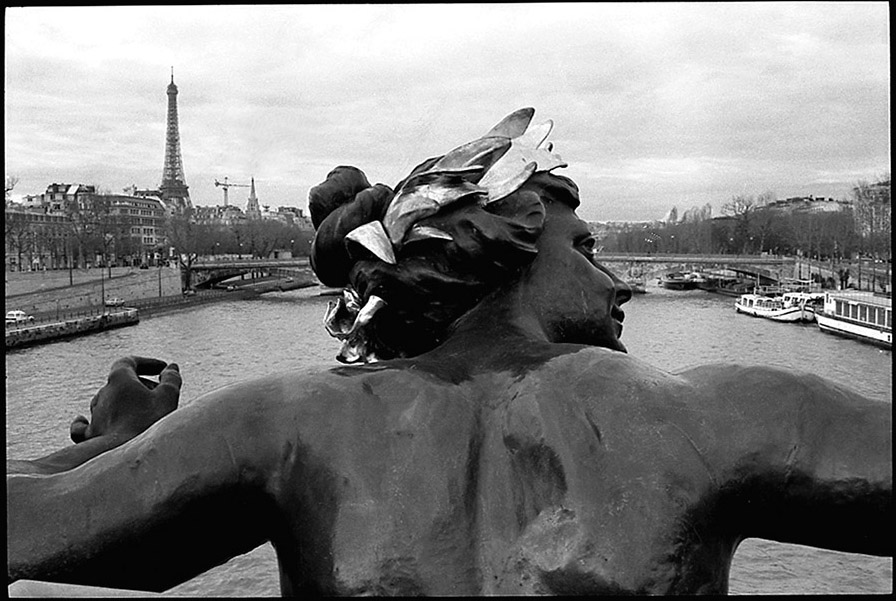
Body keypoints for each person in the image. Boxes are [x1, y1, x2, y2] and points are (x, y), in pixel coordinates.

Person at [7, 110, 891, 596]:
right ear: (499, 245)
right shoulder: (713, 416)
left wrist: (110, 446)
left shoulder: (283, 424)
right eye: (584, 248)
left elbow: (31, 525)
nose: (616, 282)